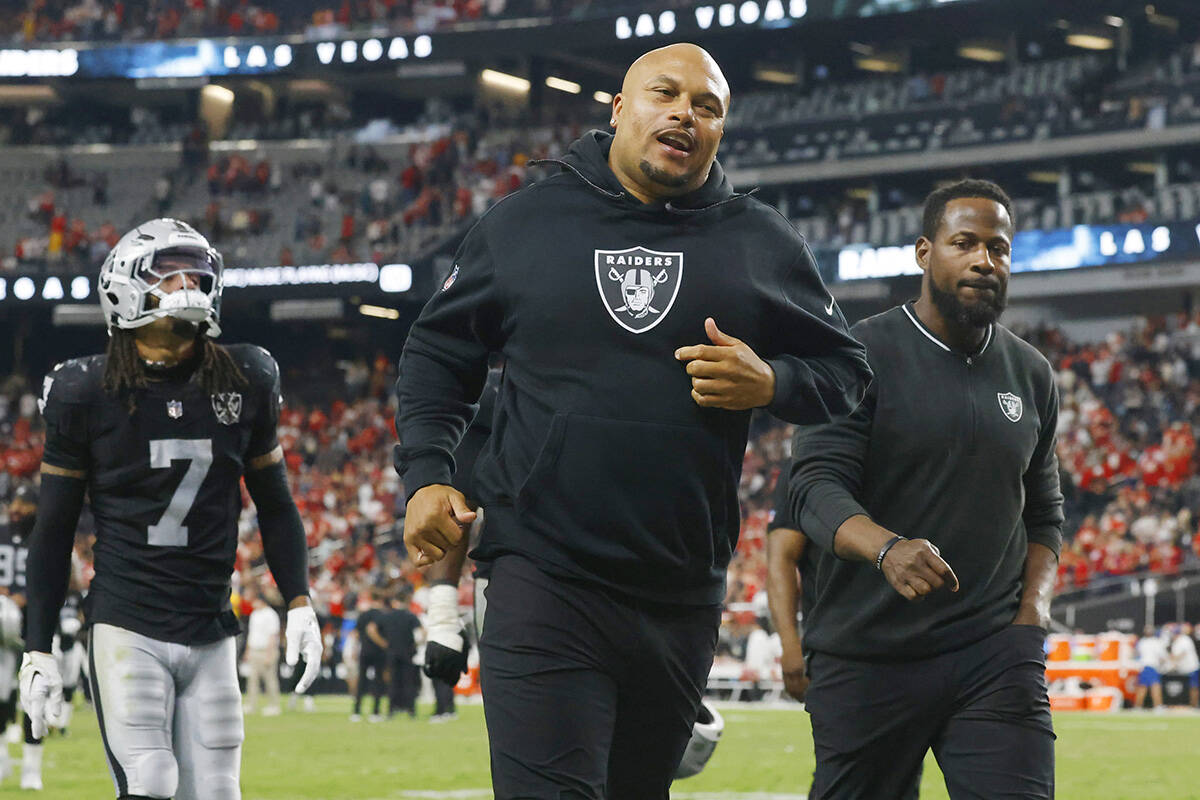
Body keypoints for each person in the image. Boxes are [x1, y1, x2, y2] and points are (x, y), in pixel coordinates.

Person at [394, 42, 872, 798]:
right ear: (619, 110)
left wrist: (771, 380)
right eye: (665, 93)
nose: (686, 112)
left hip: (681, 591)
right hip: (543, 572)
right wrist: (425, 473)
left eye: (708, 106)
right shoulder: (524, 223)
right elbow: (436, 352)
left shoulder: (760, 242)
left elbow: (849, 377)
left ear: (720, 133)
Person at [19, 218, 323, 800]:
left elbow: (276, 505)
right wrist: (38, 646)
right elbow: (53, 530)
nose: (188, 283)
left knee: (217, 791)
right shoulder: (86, 390)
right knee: (152, 780)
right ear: (124, 286)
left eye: (197, 271)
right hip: (128, 618)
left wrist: (301, 601)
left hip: (210, 622)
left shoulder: (246, 374)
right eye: (169, 272)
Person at [789, 179, 1062, 799]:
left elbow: (1045, 511)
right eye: (964, 242)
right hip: (867, 653)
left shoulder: (1032, 372)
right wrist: (887, 548)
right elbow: (814, 488)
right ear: (923, 252)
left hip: (995, 652)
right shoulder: (857, 353)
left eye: (999, 248)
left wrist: (1032, 614)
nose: (983, 260)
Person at [380, 590, 422, 719]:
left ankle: (392, 709)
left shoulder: (388, 616)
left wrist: (384, 644)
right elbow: (422, 632)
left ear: (394, 602)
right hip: (407, 653)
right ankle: (411, 710)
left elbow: (372, 629)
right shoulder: (410, 616)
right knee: (409, 682)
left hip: (392, 652)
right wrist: (415, 645)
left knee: (393, 682)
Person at [241, 588, 282, 716]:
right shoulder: (254, 614)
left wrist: (269, 654)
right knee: (252, 680)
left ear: (261, 601)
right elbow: (251, 634)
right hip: (254, 650)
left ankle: (274, 706)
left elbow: (273, 636)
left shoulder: (271, 614)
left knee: (270, 679)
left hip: (266, 651)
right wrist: (247, 651)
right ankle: (251, 705)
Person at [352, 591, 387, 722]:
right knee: (378, 681)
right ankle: (375, 712)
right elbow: (372, 630)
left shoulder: (363, 614)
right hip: (378, 652)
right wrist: (384, 644)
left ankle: (356, 711)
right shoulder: (383, 615)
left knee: (361, 680)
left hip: (364, 650)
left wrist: (355, 649)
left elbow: (355, 634)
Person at [1135, 625, 1166, 711]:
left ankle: (1138, 707)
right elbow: (1162, 657)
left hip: (1143, 667)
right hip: (1151, 666)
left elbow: (1137, 654)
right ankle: (1158, 706)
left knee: (1142, 687)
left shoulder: (1141, 642)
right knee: (1155, 687)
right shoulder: (1156, 642)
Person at [1172, 623, 1200, 708]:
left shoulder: (1183, 639)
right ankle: (1191, 705)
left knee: (1193, 687)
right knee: (1189, 688)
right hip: (1186, 669)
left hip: (1192, 667)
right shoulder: (1179, 640)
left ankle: (1194, 706)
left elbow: (1181, 654)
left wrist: (1172, 663)